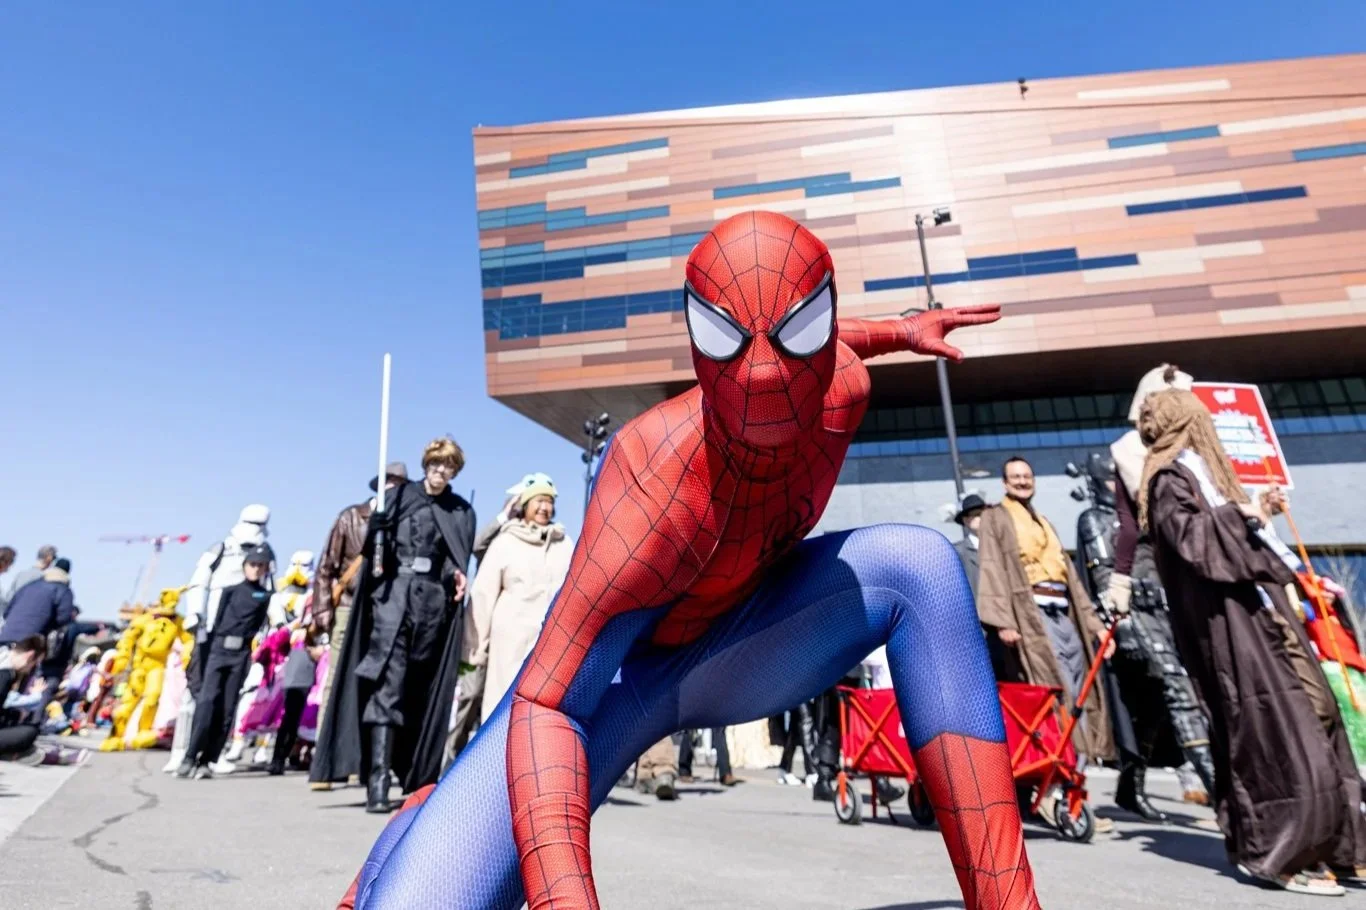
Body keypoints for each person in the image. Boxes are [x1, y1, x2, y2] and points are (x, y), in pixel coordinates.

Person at [346, 212, 1039, 910]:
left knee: (920, 564)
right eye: (727, 341)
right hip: (602, 692)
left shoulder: (843, 389)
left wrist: (897, 330)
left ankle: (1010, 901)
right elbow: (548, 705)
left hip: (735, 646)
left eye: (796, 337)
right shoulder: (649, 475)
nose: (765, 372)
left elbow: (808, 336)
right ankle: (417, 830)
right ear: (700, 340)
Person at [1140, 388, 1366, 896]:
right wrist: (1247, 517)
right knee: (1274, 731)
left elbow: (1237, 532)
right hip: (1231, 624)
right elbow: (1195, 542)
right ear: (1184, 422)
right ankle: (1286, 854)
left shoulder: (1211, 474)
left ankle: (1342, 844)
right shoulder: (1167, 480)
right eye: (1202, 417)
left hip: (1267, 610)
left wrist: (1258, 507)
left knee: (1320, 712)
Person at [311, 438, 475, 813]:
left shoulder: (459, 510)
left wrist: (456, 574)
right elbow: (374, 552)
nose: (440, 472)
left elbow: (452, 555)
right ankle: (378, 781)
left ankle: (411, 775)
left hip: (432, 610)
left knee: (419, 690)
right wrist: (377, 530)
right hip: (392, 605)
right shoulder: (399, 499)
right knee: (388, 687)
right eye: (435, 465)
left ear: (455, 471)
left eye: (448, 467)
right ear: (426, 465)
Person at [1074, 452, 1192, 822]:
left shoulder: (1140, 518)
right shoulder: (1095, 519)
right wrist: (1120, 624)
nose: (1116, 487)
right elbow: (1104, 575)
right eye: (1110, 480)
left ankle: (1133, 786)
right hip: (1126, 624)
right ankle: (1132, 783)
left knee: (1157, 708)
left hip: (1161, 617)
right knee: (1137, 710)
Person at [977, 457, 1115, 763]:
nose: (1023, 481)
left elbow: (1072, 579)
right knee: (1054, 684)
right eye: (1016, 477)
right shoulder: (996, 517)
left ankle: (1077, 763)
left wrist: (1096, 626)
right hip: (1032, 615)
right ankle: (1061, 763)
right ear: (1005, 483)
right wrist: (1003, 622)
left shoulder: (1044, 522)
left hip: (1063, 612)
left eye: (1027, 476)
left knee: (1080, 683)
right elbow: (991, 567)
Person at [311, 465, 405, 782]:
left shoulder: (403, 520)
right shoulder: (351, 516)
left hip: (384, 610)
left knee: (376, 684)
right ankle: (325, 759)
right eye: (389, 482)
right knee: (337, 678)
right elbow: (327, 565)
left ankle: (359, 760)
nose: (393, 488)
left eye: (399, 484)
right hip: (349, 607)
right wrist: (323, 612)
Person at [165, 505, 270, 774]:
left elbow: (271, 596)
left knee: (226, 705)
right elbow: (199, 580)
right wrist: (195, 614)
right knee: (197, 697)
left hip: (240, 642)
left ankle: (210, 755)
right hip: (209, 633)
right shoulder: (221, 548)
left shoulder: (264, 560)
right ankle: (182, 753)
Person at [463, 474, 573, 724]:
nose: (545, 507)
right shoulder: (505, 542)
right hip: (510, 644)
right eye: (538, 501)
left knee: (542, 715)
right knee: (503, 708)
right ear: (524, 505)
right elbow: (482, 596)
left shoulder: (564, 544)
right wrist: (474, 649)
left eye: (549, 501)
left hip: (550, 644)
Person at [0, 557, 76, 651]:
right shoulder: (63, 590)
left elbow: (7, 612)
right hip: (30, 642)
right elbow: (64, 619)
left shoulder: (30, 586)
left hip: (5, 636)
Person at [1, 545, 57, 616]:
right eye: (54, 558)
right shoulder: (44, 578)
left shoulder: (21, 574)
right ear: (49, 557)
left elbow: (9, 598)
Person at [951, 493, 987, 598]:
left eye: (984, 514)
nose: (982, 518)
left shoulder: (1000, 547)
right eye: (977, 514)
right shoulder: (957, 552)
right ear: (966, 520)